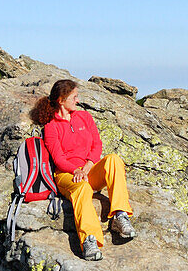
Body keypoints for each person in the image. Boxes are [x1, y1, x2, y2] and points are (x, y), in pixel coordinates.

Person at [33, 79, 136, 261]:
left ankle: (120, 215)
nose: (78, 101)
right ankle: (89, 239)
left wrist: (87, 166)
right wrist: (76, 171)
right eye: (74, 97)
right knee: (82, 187)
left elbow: (97, 144)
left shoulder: (84, 117)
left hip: (89, 169)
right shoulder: (51, 127)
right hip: (66, 175)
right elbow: (58, 159)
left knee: (114, 160)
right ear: (61, 99)